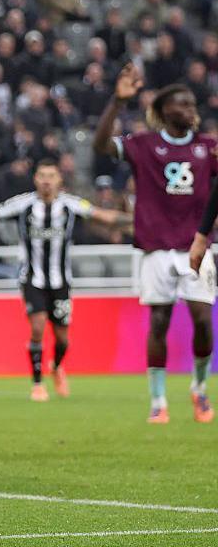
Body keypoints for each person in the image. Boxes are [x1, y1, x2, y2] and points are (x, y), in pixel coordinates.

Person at [93, 65, 216, 424]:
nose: (192, 109)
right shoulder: (143, 144)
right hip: (156, 248)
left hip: (196, 246)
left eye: (193, 103)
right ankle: (158, 400)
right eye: (183, 104)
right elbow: (101, 145)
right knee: (159, 322)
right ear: (164, 111)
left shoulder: (208, 147)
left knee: (203, 321)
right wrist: (118, 101)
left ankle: (199, 387)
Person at [0, 160, 131, 401]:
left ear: (59, 180)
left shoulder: (70, 204)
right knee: (37, 328)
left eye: (51, 175)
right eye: (42, 175)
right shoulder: (24, 203)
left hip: (61, 280)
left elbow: (104, 216)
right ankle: (37, 383)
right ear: (35, 179)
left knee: (63, 338)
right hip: (32, 279)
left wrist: (136, 220)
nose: (46, 180)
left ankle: (56, 367)